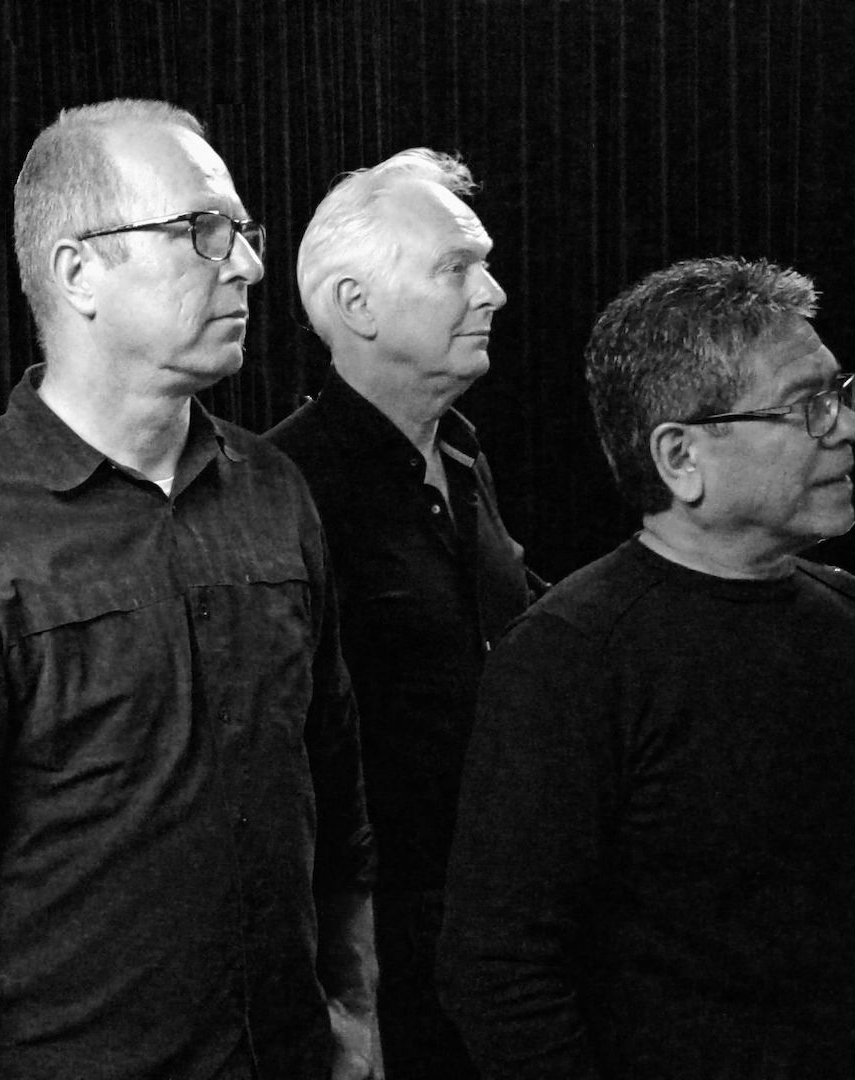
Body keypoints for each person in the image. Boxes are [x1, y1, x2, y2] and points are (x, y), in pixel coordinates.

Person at [0, 99, 381, 1080]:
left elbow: (334, 792)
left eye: (242, 230)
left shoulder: (274, 493)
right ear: (78, 272)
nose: (248, 265)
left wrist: (356, 1009)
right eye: (202, 230)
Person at [440, 256, 855, 1079]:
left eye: (839, 394)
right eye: (808, 406)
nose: (849, 427)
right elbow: (500, 970)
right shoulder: (569, 658)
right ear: (680, 457)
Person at [266, 148, 534, 1079]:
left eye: (484, 264)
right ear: (358, 305)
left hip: (492, 924)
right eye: (456, 268)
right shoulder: (281, 488)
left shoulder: (461, 455)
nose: (493, 291)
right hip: (382, 962)